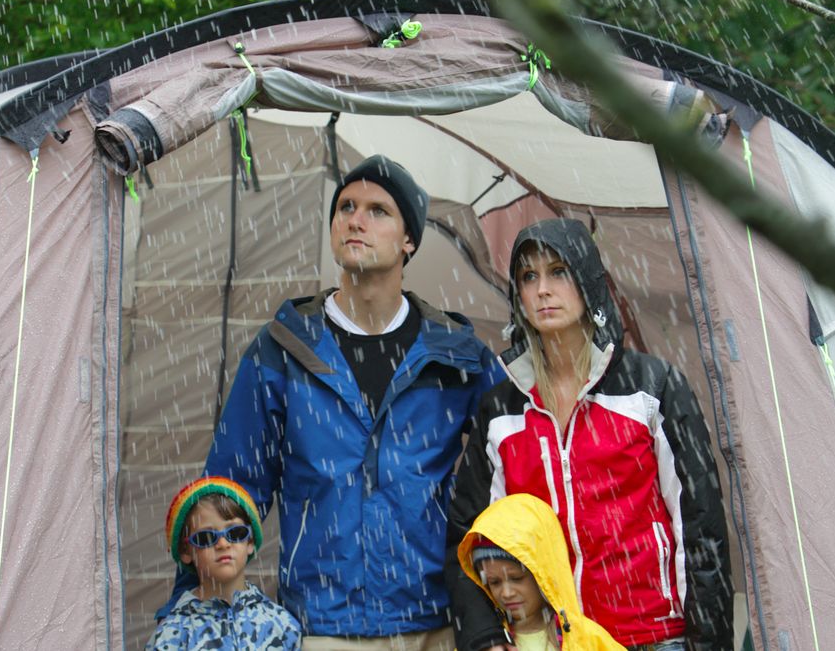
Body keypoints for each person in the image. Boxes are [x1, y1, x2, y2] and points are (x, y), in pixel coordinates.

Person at [165, 155, 506, 649]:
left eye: (377, 210)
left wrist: (505, 601)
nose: (355, 219)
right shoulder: (284, 349)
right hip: (324, 626)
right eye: (345, 206)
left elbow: (516, 467)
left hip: (438, 618)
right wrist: (193, 611)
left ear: (409, 239)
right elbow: (228, 495)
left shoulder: (457, 354)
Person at [445, 218, 732, 651]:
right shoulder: (502, 411)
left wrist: (708, 642)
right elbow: (468, 537)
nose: (542, 289)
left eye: (558, 271)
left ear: (588, 280)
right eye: (529, 276)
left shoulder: (651, 388)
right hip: (557, 642)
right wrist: (485, 636)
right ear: (517, 296)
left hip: (655, 638)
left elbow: (700, 524)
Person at [148, 476, 302, 650]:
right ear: (186, 551)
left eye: (236, 533)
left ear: (250, 541)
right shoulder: (172, 634)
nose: (223, 544)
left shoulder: (281, 625)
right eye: (205, 537)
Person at [455, 493, 624, 651]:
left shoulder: (587, 639)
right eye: (494, 582)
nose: (506, 593)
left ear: (543, 573)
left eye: (516, 578)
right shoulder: (485, 643)